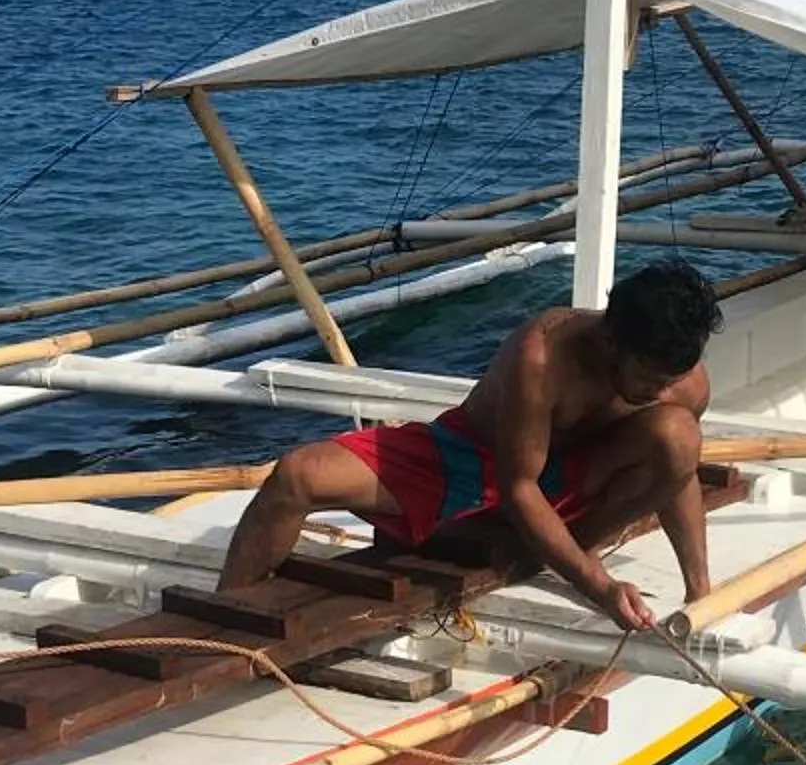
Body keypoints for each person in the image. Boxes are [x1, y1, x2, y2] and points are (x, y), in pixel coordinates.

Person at [216, 260, 724, 632]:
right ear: (613, 340)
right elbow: (519, 486)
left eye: (669, 380)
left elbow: (678, 473)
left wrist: (701, 595)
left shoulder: (684, 382)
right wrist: (599, 586)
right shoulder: (544, 356)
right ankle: (222, 625)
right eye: (648, 378)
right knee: (297, 476)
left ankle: (559, 548)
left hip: (574, 482)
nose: (660, 392)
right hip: (472, 457)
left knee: (680, 435)